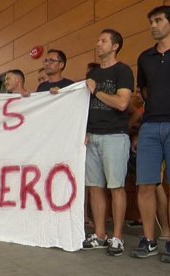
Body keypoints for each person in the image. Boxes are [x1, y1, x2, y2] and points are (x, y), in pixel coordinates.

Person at [82, 29, 134, 257]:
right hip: (92, 136)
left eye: (103, 41)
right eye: (98, 39)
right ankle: (100, 235)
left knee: (116, 187)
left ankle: (118, 237)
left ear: (115, 46)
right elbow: (82, 105)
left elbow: (122, 103)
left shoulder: (123, 71)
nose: (98, 43)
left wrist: (97, 90)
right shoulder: (92, 73)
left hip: (115, 135)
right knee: (95, 187)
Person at [131, 5, 170, 262]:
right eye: (150, 22)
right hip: (150, 126)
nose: (153, 25)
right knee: (145, 184)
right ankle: (149, 239)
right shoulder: (144, 57)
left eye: (158, 20)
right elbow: (144, 92)